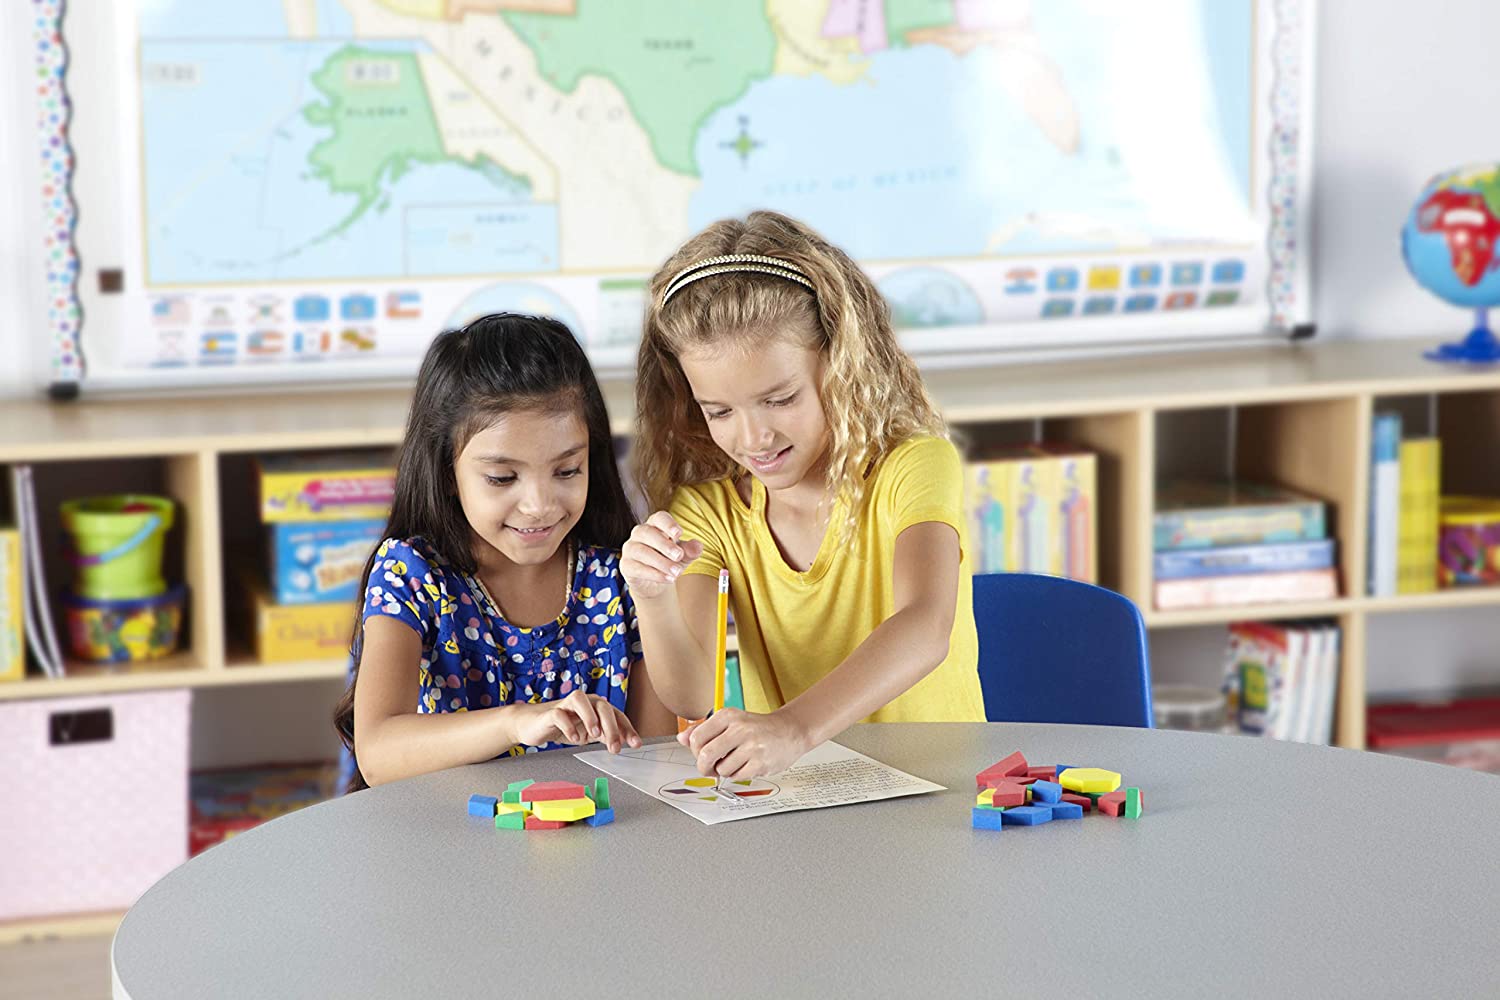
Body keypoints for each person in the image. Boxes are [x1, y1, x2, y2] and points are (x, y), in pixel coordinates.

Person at [624, 211, 985, 780]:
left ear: (841, 366)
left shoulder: (913, 465)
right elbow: (691, 693)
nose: (753, 438)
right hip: (801, 799)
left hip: (940, 790)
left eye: (780, 399)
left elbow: (924, 627)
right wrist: (652, 596)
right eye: (719, 411)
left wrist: (792, 728)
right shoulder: (709, 512)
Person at [334, 313, 674, 790]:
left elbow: (655, 757)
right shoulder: (412, 574)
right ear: (447, 472)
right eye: (502, 478)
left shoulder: (622, 575)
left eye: (567, 470)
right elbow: (379, 752)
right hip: (452, 831)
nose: (539, 505)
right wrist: (517, 722)